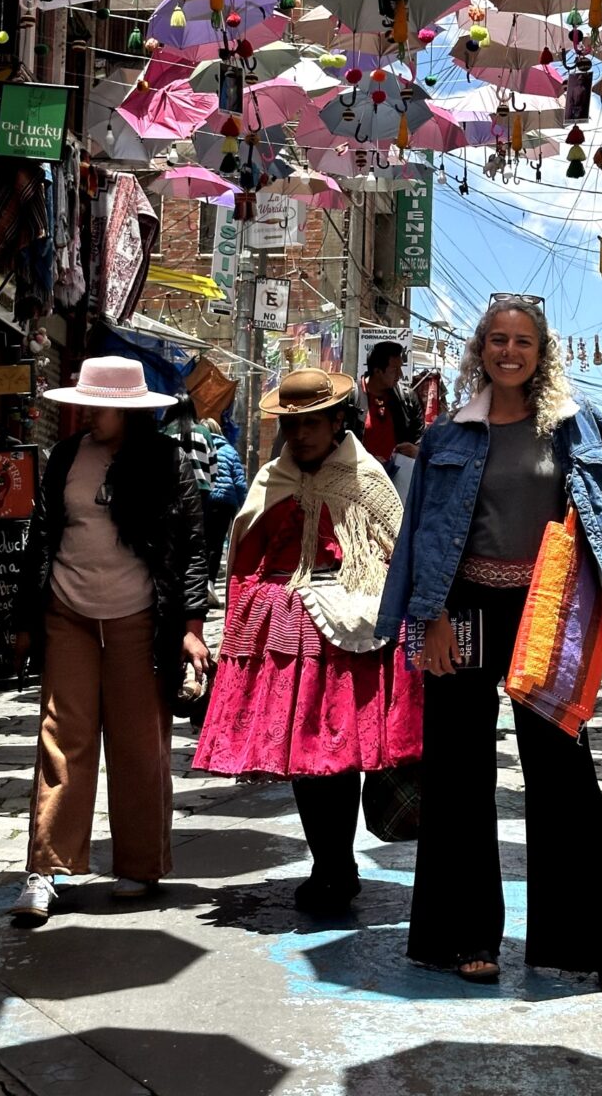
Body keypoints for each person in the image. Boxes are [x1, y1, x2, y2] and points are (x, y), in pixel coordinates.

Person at [376, 296, 602, 992]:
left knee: (562, 772)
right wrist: (424, 618)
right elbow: (421, 538)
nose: (509, 351)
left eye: (522, 341)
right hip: (464, 611)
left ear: (541, 351)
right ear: (480, 349)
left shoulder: (576, 427)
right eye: (497, 339)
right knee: (459, 775)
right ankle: (463, 939)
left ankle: (595, 945)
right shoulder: (447, 437)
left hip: (547, 614)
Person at [194, 368, 422, 914]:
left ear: (337, 421)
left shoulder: (366, 480)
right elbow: (246, 553)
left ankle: (335, 866)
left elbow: (395, 553)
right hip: (287, 634)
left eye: (311, 425)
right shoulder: (273, 478)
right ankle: (330, 864)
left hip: (352, 637)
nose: (300, 436)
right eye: (292, 425)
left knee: (340, 755)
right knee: (304, 759)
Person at [10, 357, 209, 926]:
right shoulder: (67, 457)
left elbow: (192, 545)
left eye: (100, 406)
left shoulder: (167, 464)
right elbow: (42, 537)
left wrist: (191, 627)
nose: (90, 414)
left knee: (139, 741)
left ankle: (141, 864)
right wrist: (28, 620)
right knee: (60, 736)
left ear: (129, 412)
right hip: (68, 613)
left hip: (139, 619)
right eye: (89, 403)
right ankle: (45, 869)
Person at [346, 342, 425, 462]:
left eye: (401, 368)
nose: (400, 375)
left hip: (398, 477)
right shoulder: (351, 398)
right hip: (359, 476)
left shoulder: (408, 399)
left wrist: (416, 450)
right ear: (377, 371)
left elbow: (421, 437)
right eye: (394, 370)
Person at [203, 418, 248, 603]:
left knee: (202, 543)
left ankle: (200, 583)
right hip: (225, 503)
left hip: (204, 499)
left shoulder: (199, 448)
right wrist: (243, 504)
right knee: (216, 544)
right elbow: (239, 480)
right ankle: (210, 583)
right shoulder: (230, 451)